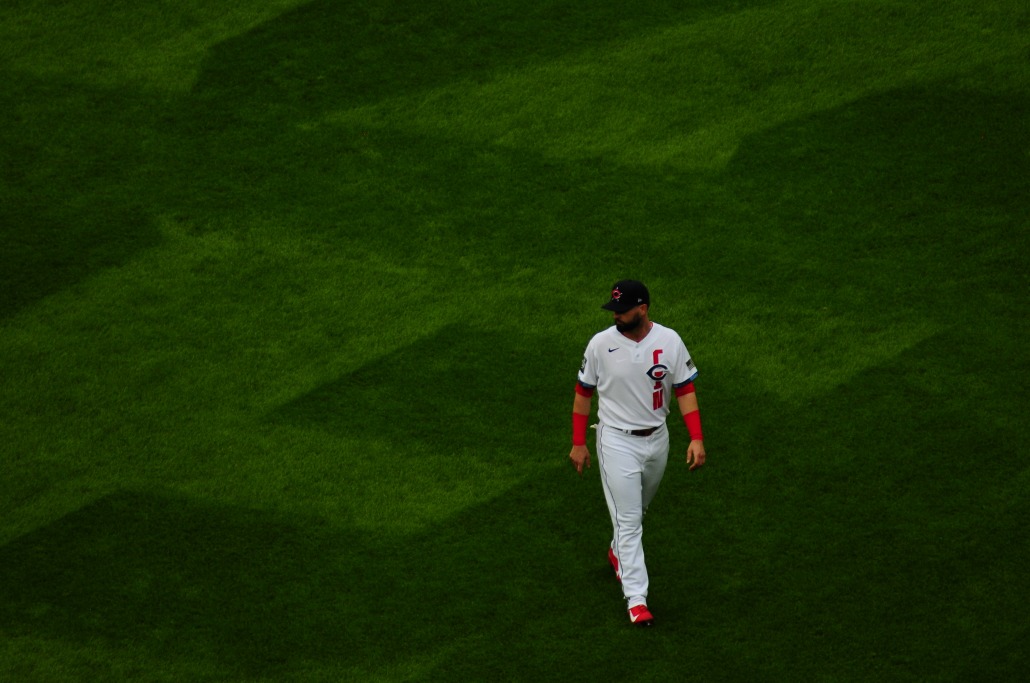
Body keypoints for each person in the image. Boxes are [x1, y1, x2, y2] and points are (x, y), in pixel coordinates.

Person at [568, 279, 706, 627]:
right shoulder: (601, 344)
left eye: (622, 310)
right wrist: (579, 442)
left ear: (642, 310)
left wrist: (696, 438)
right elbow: (583, 393)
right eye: (613, 309)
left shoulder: (669, 340)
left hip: (657, 439)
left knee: (637, 510)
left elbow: (684, 387)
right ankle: (637, 600)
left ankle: (617, 551)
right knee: (629, 522)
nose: (616, 315)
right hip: (616, 441)